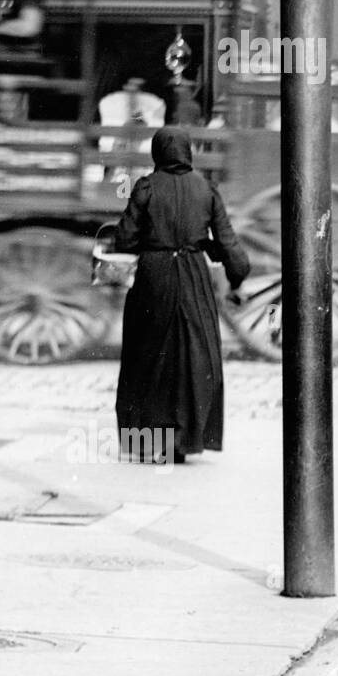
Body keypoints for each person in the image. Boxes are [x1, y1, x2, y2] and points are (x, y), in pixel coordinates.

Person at [111, 127, 250, 464]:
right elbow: (229, 243)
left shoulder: (145, 187)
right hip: (193, 276)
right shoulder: (206, 189)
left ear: (157, 152)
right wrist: (237, 276)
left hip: (153, 278)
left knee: (147, 355)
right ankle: (187, 439)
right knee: (194, 355)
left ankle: (146, 439)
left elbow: (125, 240)